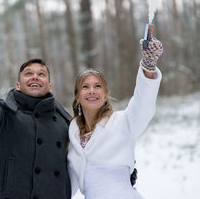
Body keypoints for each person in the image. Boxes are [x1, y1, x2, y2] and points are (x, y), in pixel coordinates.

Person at [0, 33, 72, 199]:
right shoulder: (4, 116)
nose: (35, 77)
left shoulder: (65, 122)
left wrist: (122, 171)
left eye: (41, 74)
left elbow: (84, 159)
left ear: (50, 86)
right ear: (18, 85)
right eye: (28, 73)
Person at [67, 37, 163, 199]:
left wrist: (148, 65)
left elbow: (143, 104)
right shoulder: (73, 137)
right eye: (85, 87)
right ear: (77, 96)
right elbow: (64, 185)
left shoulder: (123, 123)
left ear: (105, 95)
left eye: (97, 86)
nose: (92, 91)